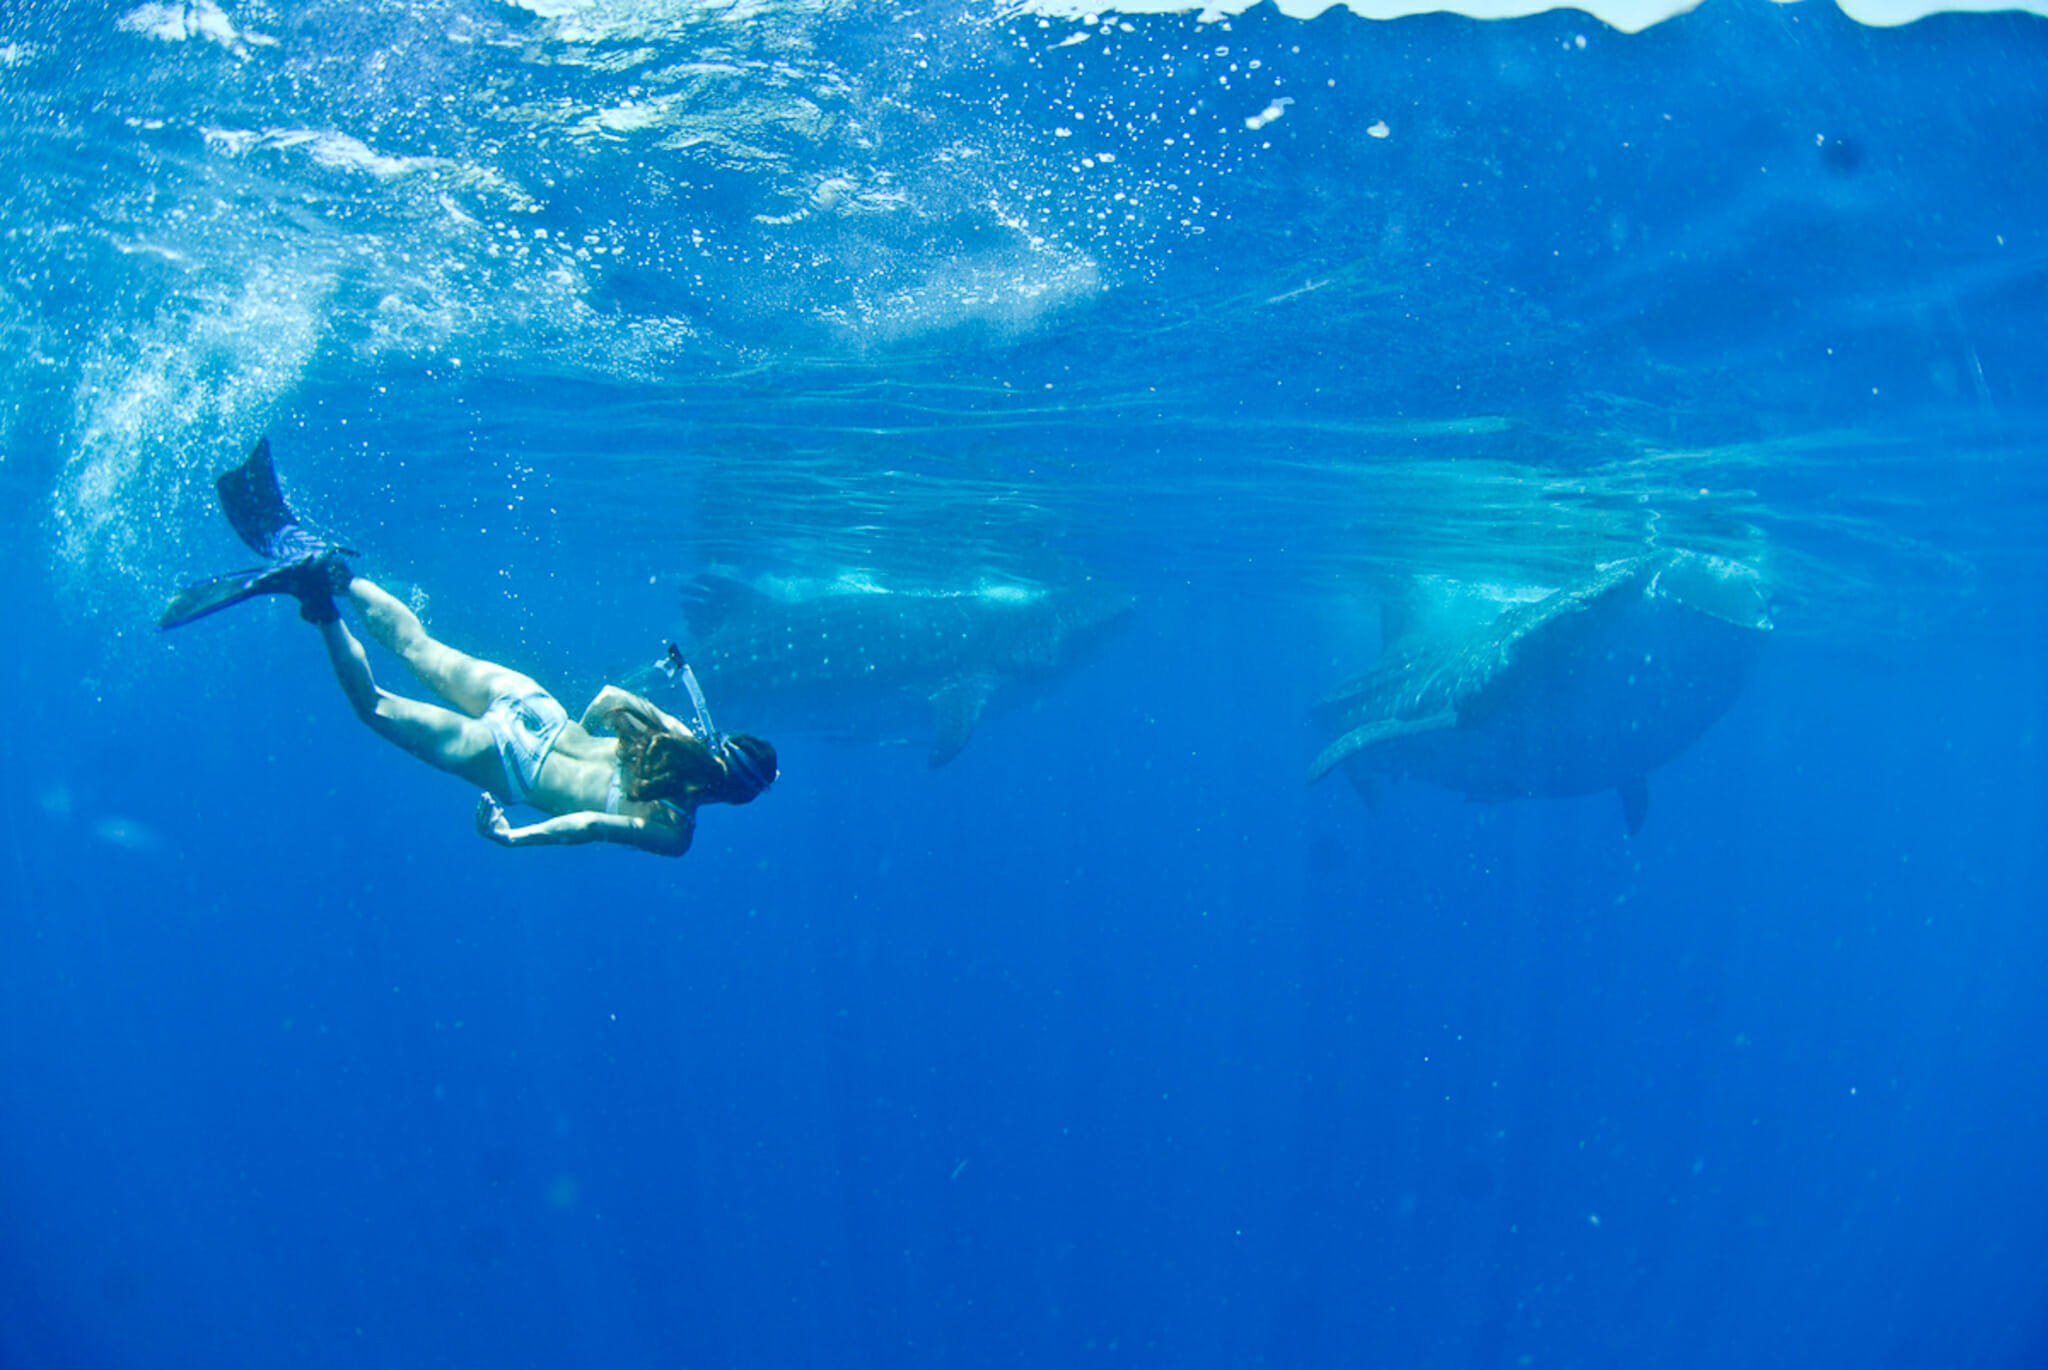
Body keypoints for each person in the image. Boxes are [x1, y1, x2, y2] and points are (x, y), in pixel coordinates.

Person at [161, 440, 776, 856]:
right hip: (510, 763)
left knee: (416, 642)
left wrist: (579, 733)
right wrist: (512, 838)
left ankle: (328, 566)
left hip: (535, 710)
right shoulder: (674, 831)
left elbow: (611, 696)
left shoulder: (677, 733)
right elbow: (588, 824)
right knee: (373, 706)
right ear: (739, 799)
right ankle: (317, 603)